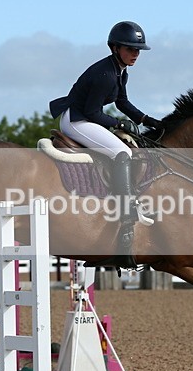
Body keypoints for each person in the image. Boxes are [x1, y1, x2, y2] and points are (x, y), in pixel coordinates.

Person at [49, 21, 163, 233]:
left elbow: (122, 102)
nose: (135, 54)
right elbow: (93, 112)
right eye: (130, 49)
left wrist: (146, 120)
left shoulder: (119, 70)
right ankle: (127, 208)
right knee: (122, 152)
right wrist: (119, 123)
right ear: (115, 48)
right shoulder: (106, 75)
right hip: (76, 120)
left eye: (138, 49)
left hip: (85, 116)